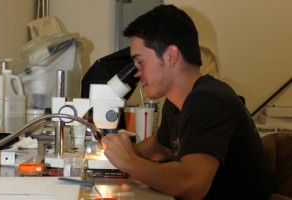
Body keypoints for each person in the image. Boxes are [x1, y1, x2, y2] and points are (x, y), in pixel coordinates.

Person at [101, 4, 275, 200]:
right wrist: (118, 153)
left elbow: (192, 184)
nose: (137, 72)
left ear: (171, 55)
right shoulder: (177, 103)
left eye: (140, 62)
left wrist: (129, 161)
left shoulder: (209, 101)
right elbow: (160, 147)